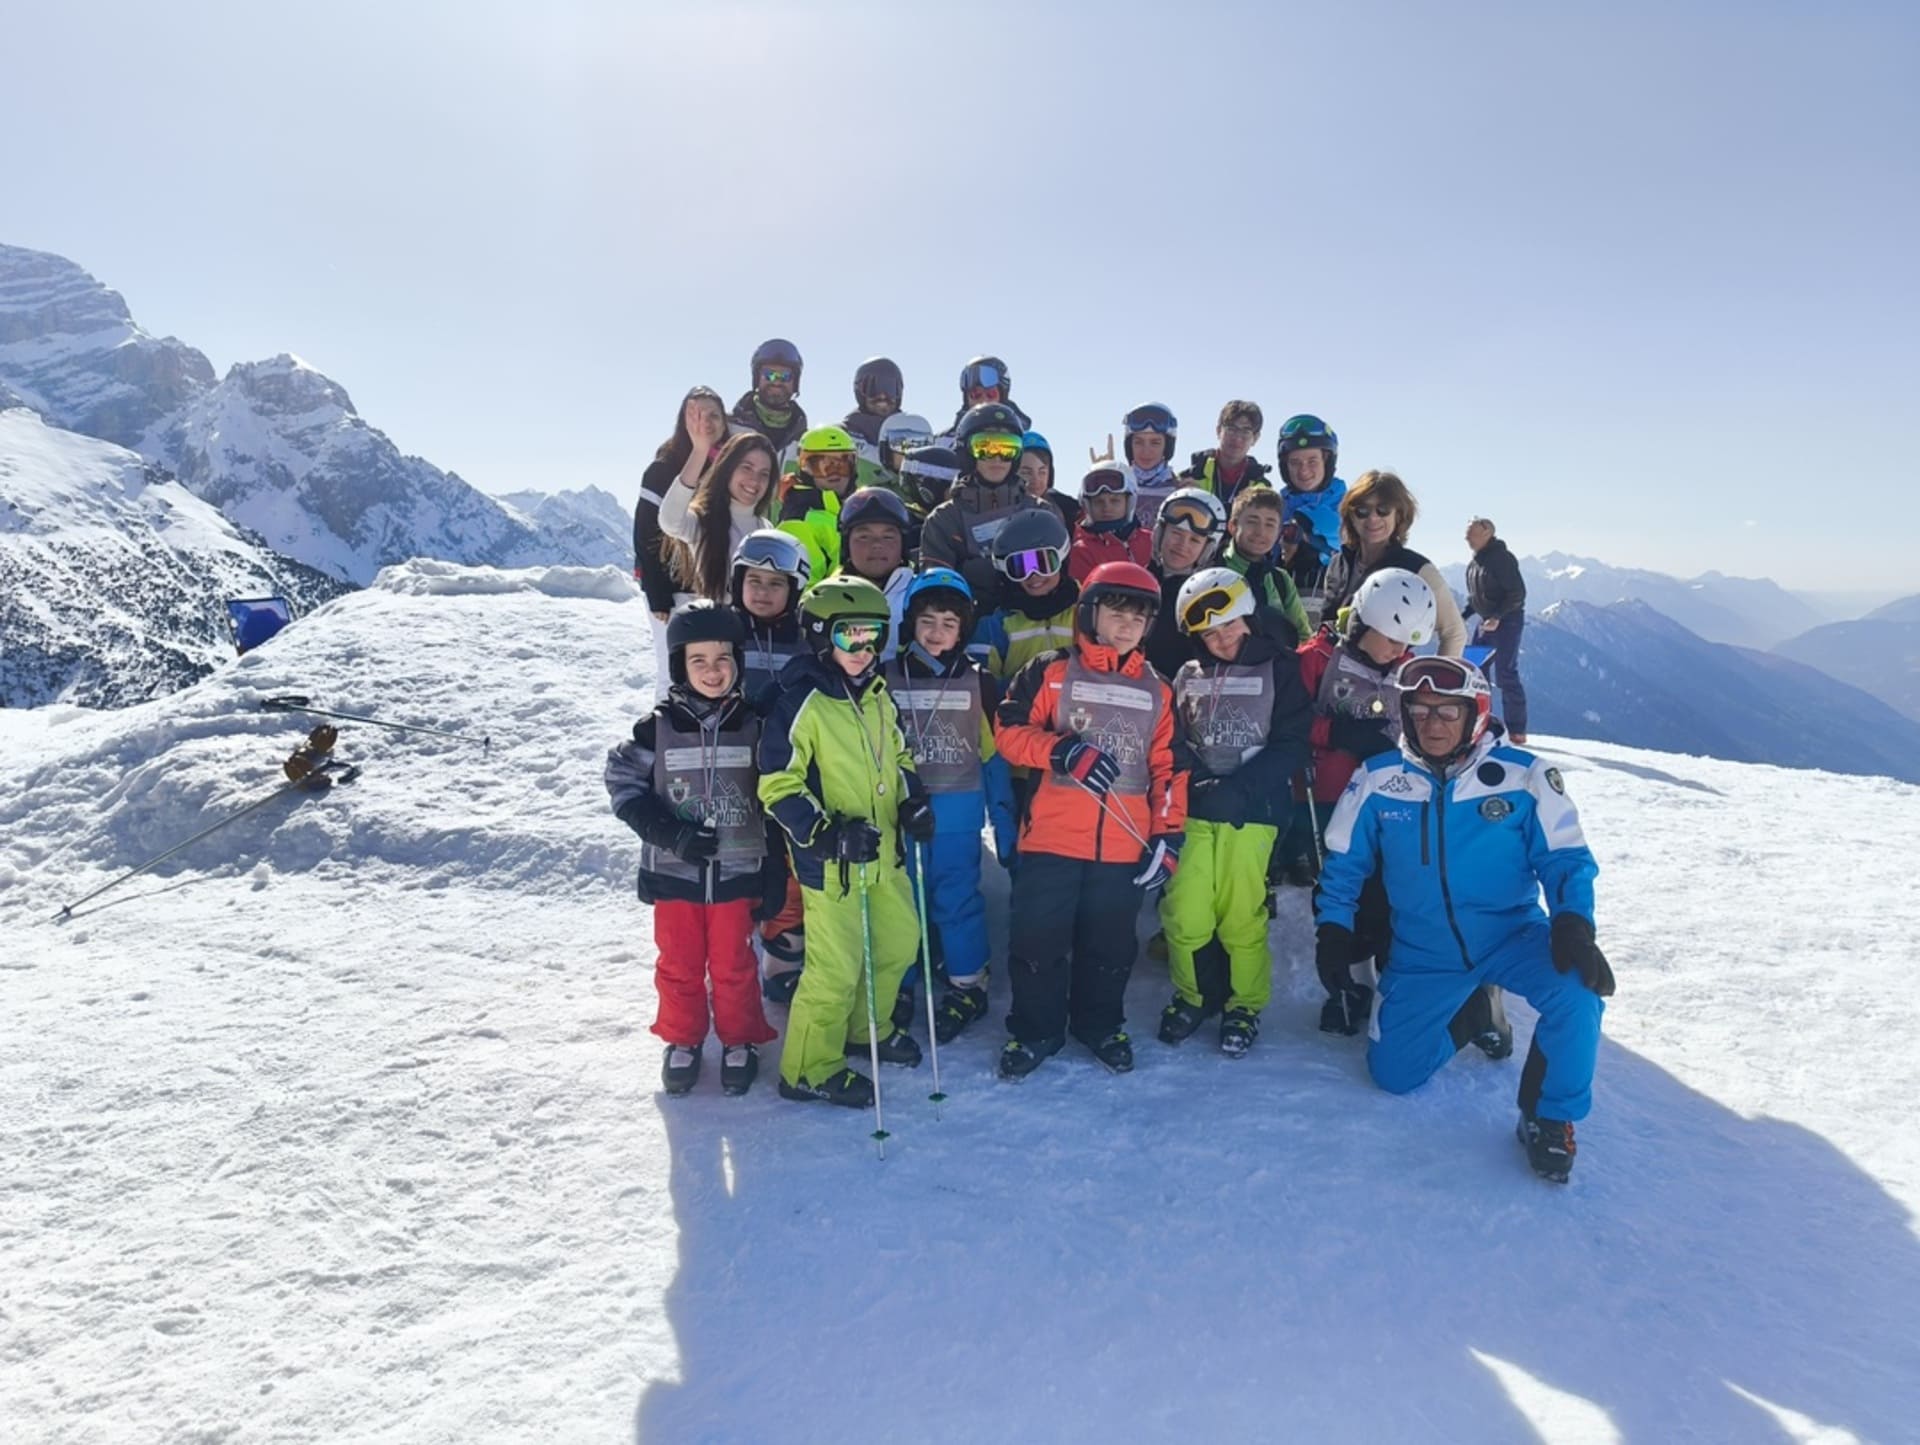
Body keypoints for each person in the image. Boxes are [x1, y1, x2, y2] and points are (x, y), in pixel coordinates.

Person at [1316, 656, 1612, 1182]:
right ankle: (1476, 1012)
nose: (1433, 724)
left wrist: (1573, 922)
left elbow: (1564, 858)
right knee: (1393, 1075)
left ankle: (1548, 1117)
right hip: (1424, 949)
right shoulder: (1381, 778)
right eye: (1421, 711)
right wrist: (1334, 928)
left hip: (1512, 934)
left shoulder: (1526, 777)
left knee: (1577, 993)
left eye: (1448, 712)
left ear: (1475, 714)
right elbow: (1344, 861)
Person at [992, 561, 1188, 1078]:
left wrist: (1168, 837)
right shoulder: (1051, 671)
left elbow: (1171, 769)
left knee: (1110, 946)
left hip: (1122, 849)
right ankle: (1036, 1031)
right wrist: (1061, 753)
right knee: (1038, 942)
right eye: (1117, 609)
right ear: (1090, 612)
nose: (1127, 623)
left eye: (1140, 615)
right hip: (1052, 839)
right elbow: (1008, 731)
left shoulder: (1159, 690)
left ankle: (1100, 1024)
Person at [759, 577, 936, 1107]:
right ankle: (809, 1068)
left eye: (873, 637)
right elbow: (778, 783)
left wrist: (913, 801)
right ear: (819, 637)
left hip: (884, 852)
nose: (862, 650)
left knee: (899, 941)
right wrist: (827, 834)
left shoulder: (879, 695)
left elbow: (902, 760)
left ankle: (868, 1028)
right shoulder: (801, 702)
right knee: (835, 968)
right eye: (848, 637)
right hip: (830, 862)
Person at [605, 601, 784, 1096]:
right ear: (680, 665)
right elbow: (622, 783)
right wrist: (668, 832)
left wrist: (772, 871)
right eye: (698, 660)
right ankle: (683, 1038)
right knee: (679, 963)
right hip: (675, 875)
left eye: (722, 659)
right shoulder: (656, 728)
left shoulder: (756, 725)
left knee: (733, 962)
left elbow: (773, 797)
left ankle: (740, 1039)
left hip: (736, 873)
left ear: (739, 663)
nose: (712, 671)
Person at [1156, 569, 1312, 1056]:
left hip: (1255, 812)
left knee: (1240, 915)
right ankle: (1193, 995)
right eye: (1209, 633)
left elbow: (1291, 743)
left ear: (1249, 617)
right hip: (1197, 811)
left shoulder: (1280, 669)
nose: (1221, 639)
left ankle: (1244, 1003)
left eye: (1229, 625)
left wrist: (1240, 789)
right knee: (1185, 911)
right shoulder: (1187, 676)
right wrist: (1199, 782)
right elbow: (1175, 739)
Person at [1292, 568, 1436, 1020]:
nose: (1399, 651)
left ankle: (1393, 977)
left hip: (1389, 803)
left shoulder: (1408, 671)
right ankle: (1343, 984)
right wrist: (1337, 731)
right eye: (1392, 640)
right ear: (1364, 623)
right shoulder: (1316, 659)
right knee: (1339, 892)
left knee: (1389, 892)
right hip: (1326, 801)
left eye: (1405, 643)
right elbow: (1284, 722)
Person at [886, 569, 1018, 1042]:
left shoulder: (977, 684)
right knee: (901, 901)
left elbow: (993, 758)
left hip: (957, 813)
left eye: (948, 623)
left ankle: (967, 982)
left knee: (955, 898)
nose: (936, 632)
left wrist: (1006, 830)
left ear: (963, 629)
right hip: (898, 813)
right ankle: (898, 980)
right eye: (927, 621)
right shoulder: (885, 677)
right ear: (910, 624)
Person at [635, 387, 729, 685]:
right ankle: (667, 731)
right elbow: (646, 534)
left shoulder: (728, 469)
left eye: (714, 415)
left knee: (711, 673)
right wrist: (658, 594)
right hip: (673, 592)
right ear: (684, 420)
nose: (707, 422)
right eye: (698, 415)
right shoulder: (663, 470)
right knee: (674, 673)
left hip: (713, 588)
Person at [1322, 469, 1468, 656]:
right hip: (1332, 676)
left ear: (1398, 515)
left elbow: (1454, 633)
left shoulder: (1417, 568)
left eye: (1383, 510)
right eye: (1362, 511)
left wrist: (1437, 681)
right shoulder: (1338, 564)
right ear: (1350, 516)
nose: (1373, 518)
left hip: (1389, 681)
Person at [920, 403, 1050, 598]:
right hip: (970, 620)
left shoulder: (1041, 512)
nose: (997, 458)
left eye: (1008, 449)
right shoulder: (944, 520)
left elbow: (1055, 578)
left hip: (1031, 621)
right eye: (985, 447)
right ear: (966, 451)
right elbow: (937, 591)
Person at [657, 431, 777, 603]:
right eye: (746, 467)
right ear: (728, 469)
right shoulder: (703, 520)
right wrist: (699, 452)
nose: (754, 480)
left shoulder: (766, 528)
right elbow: (670, 520)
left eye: (764, 473)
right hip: (717, 626)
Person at [970, 506, 1081, 683]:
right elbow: (980, 689)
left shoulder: (1088, 613)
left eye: (1043, 562)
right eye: (1020, 567)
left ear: (1062, 560)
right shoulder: (995, 627)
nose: (1033, 575)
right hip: (1018, 709)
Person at [1142, 487, 1229, 680]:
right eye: (1176, 533)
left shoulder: (1210, 599)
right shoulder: (1134, 584)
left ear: (1207, 549)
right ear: (1160, 533)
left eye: (1194, 540)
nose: (1182, 545)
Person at [1464, 516, 1530, 744]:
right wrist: (1461, 617)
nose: (1466, 537)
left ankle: (1516, 730)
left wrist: (1498, 617)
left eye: (1471, 533)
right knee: (1475, 672)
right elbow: (1476, 598)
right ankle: (1481, 722)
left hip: (1507, 623)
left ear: (1487, 533)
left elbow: (1517, 594)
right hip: (1485, 623)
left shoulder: (1502, 559)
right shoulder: (1475, 564)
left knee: (1506, 674)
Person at [728, 528, 810, 710]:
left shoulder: (807, 638)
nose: (763, 592)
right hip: (735, 732)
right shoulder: (722, 633)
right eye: (754, 581)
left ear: (794, 591)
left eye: (776, 583)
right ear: (738, 583)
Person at [1220, 486, 1311, 644]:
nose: (1260, 532)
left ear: (1278, 533)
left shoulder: (1280, 580)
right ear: (1233, 526)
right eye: (1252, 522)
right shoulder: (1213, 571)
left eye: (1270, 524)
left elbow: (1303, 637)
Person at [833, 487, 915, 660]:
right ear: (846, 545)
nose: (877, 545)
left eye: (888, 537)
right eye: (864, 537)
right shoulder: (826, 598)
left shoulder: (921, 598)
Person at [777, 425, 860, 583]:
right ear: (805, 469)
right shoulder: (799, 521)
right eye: (821, 466)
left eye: (842, 464)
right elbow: (802, 587)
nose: (834, 473)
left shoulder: (855, 508)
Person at [1274, 414, 1347, 572]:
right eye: (1295, 462)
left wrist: (1305, 523)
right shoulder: (1275, 507)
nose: (1304, 470)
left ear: (1326, 462)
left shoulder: (1350, 506)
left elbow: (1343, 536)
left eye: (1312, 461)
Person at [1179, 400, 1275, 514]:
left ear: (1255, 438)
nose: (1237, 438)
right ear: (1218, 430)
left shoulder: (1261, 488)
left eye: (1245, 431)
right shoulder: (1190, 477)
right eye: (1231, 429)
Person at [1067, 461, 1153, 583]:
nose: (1106, 507)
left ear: (1129, 502)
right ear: (1088, 505)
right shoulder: (1082, 550)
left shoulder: (1151, 541)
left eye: (1115, 501)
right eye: (1098, 502)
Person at [730, 339, 809, 465]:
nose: (777, 382)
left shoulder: (805, 441)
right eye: (769, 374)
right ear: (756, 378)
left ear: (795, 382)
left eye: (785, 376)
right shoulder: (729, 430)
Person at [843, 357, 904, 489]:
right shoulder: (843, 436)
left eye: (890, 388)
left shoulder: (913, 435)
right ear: (859, 391)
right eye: (872, 388)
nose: (882, 396)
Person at [1119, 402, 1182, 526]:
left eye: (1155, 443)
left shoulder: (1179, 491)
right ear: (1129, 446)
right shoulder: (1117, 487)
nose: (1146, 451)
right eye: (1138, 442)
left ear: (1167, 447)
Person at [942, 355, 1032, 439]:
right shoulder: (946, 440)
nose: (983, 400)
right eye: (976, 395)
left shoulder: (1023, 438)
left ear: (1002, 397)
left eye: (991, 394)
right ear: (966, 399)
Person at [1018, 431, 1082, 533]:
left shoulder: (1068, 508)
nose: (1036, 479)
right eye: (1026, 473)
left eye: (1042, 472)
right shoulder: (1003, 507)